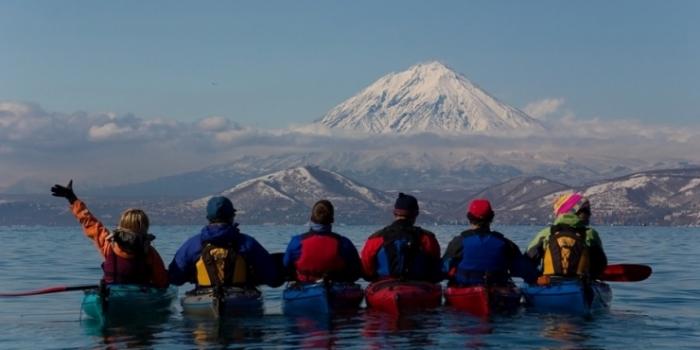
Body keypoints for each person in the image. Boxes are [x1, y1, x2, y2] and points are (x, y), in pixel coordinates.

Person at [50, 180, 168, 288]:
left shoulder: (109, 243)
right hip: (139, 299)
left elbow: (88, 221)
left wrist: (72, 198)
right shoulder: (149, 252)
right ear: (145, 228)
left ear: (121, 225)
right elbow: (161, 282)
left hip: (112, 297)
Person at [168, 196, 279, 290]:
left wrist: (191, 275)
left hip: (204, 301)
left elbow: (175, 278)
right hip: (241, 300)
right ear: (232, 217)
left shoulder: (192, 244)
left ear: (208, 218)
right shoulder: (248, 243)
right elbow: (272, 278)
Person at [442, 199, 537, 286]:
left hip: (464, 289)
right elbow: (524, 270)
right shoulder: (506, 244)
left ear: (469, 218)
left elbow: (442, 269)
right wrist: (536, 278)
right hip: (498, 289)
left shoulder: (458, 242)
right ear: (491, 218)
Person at [360, 193, 441, 282]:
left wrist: (372, 278)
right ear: (416, 214)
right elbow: (435, 265)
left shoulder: (375, 238)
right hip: (418, 286)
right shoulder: (427, 238)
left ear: (394, 213)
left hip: (384, 286)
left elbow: (366, 266)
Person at [526, 192, 608, 280]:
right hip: (580, 283)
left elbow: (528, 261)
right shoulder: (590, 234)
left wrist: (537, 277)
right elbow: (600, 263)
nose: (589, 214)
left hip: (550, 284)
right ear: (574, 211)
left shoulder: (546, 233)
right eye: (585, 211)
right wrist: (594, 276)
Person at [283, 200, 361, 282]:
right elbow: (356, 271)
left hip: (304, 288)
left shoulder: (297, 242)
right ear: (332, 220)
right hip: (336, 288)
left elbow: (286, 265)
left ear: (311, 218)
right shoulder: (344, 243)